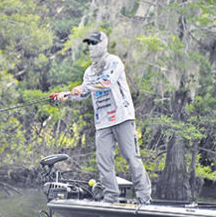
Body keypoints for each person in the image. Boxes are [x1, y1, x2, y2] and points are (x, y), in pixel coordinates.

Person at [54, 31, 151, 204]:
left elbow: (107, 81)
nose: (91, 47)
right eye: (89, 43)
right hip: (102, 123)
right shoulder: (89, 72)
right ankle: (111, 197)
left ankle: (144, 198)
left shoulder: (114, 62)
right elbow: (83, 93)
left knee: (131, 157)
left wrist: (83, 88)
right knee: (103, 161)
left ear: (102, 44)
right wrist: (67, 95)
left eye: (94, 43)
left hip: (123, 117)